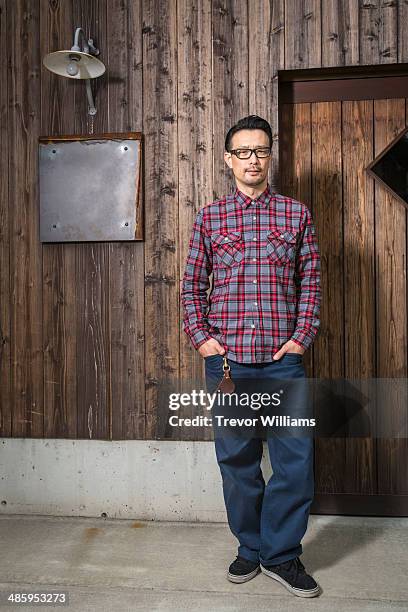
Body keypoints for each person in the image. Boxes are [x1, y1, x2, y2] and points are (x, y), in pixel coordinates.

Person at [181, 115, 321, 598]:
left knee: (295, 462)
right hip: (228, 364)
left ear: (270, 154)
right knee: (237, 462)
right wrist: (202, 338)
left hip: (284, 360)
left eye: (260, 151)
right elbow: (191, 287)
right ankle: (250, 547)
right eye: (243, 152)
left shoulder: (296, 215)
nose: (253, 160)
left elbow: (311, 284)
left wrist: (301, 337)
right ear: (228, 159)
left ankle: (282, 556)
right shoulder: (210, 217)